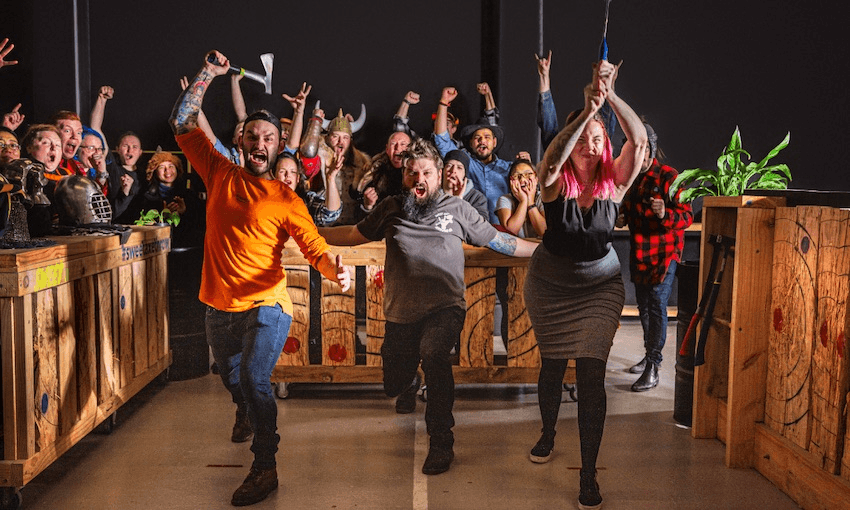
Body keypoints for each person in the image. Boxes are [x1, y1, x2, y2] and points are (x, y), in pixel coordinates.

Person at [170, 50, 351, 507]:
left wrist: (334, 270)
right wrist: (209, 72)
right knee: (233, 382)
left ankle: (265, 465)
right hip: (216, 304)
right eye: (252, 135)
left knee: (254, 379)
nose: (260, 142)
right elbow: (182, 120)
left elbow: (314, 247)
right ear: (242, 140)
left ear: (277, 146)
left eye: (269, 137)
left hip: (267, 304)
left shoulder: (285, 197)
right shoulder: (218, 170)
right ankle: (245, 412)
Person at [319, 138, 538, 476]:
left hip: (445, 305)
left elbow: (500, 241)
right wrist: (302, 232)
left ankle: (441, 441)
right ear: (403, 176)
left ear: (438, 176)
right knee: (393, 383)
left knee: (435, 356)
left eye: (425, 172)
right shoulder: (392, 207)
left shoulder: (458, 209)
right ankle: (407, 382)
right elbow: (352, 235)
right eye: (410, 173)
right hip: (400, 312)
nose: (418, 179)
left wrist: (543, 252)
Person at [523, 60, 647, 510]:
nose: (592, 147)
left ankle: (589, 475)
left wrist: (609, 96)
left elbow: (640, 140)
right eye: (584, 141)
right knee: (553, 366)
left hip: (599, 286)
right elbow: (553, 159)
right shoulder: (557, 185)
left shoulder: (615, 184)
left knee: (591, 375)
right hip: (551, 285)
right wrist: (583, 116)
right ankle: (548, 432)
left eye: (599, 140)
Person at [618, 121, 693, 392]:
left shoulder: (670, 176)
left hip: (665, 254)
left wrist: (665, 214)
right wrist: (620, 216)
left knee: (657, 305)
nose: (641, 154)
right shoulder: (632, 175)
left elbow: (687, 216)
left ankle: (653, 365)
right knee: (643, 306)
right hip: (640, 253)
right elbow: (624, 209)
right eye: (635, 148)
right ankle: (649, 353)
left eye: (644, 147)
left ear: (652, 147)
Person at [433, 86, 510, 223]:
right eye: (477, 138)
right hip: (471, 233)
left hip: (504, 233)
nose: (482, 141)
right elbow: (441, 138)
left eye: (487, 137)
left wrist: (525, 164)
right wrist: (444, 102)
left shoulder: (508, 168)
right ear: (470, 143)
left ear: (494, 142)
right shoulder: (464, 162)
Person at [141, 151, 203, 248]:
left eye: (171, 166)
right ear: (154, 172)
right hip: (156, 249)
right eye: (162, 167)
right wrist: (162, 217)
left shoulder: (188, 194)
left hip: (184, 250)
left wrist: (184, 212)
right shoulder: (145, 196)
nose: (167, 171)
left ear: (177, 169)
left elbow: (199, 225)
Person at [355, 130, 412, 217]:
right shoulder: (374, 174)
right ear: (387, 149)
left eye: (403, 144)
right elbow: (361, 219)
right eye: (393, 144)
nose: (397, 147)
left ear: (410, 149)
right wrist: (367, 206)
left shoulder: (418, 174)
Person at [496, 156, 546, 238]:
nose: (522, 179)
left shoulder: (543, 198)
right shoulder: (505, 200)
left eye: (527, 174)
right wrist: (523, 201)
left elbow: (544, 232)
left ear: (536, 179)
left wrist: (530, 202)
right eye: (516, 175)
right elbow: (510, 232)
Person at [442, 149, 488, 221]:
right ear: (442, 170)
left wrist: (459, 201)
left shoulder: (477, 197)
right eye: (449, 166)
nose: (453, 170)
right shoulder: (432, 194)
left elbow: (482, 226)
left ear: (464, 175)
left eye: (459, 168)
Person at [49, 110, 86, 176]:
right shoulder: (41, 166)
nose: (75, 136)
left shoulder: (77, 168)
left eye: (78, 133)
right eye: (67, 131)